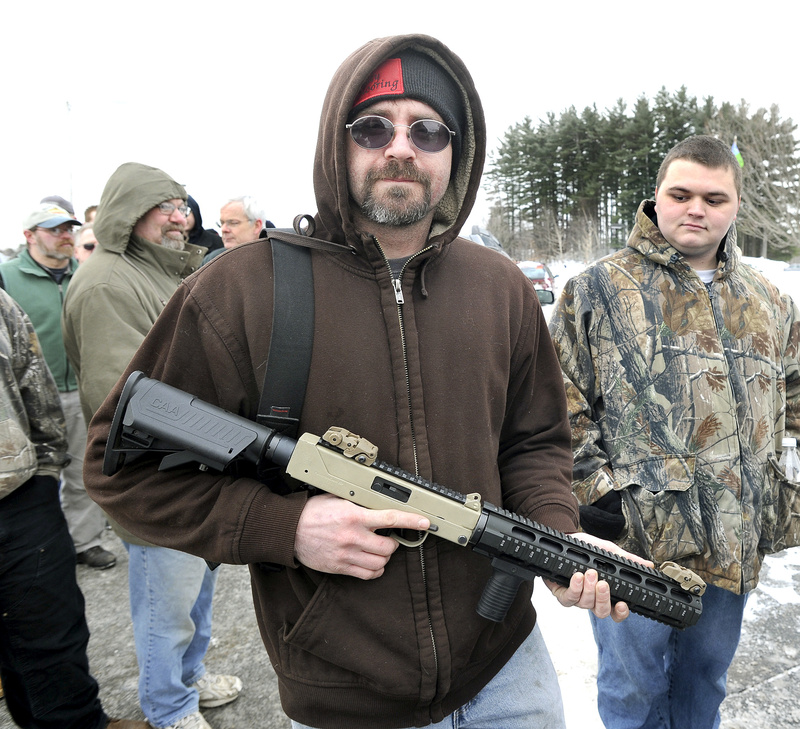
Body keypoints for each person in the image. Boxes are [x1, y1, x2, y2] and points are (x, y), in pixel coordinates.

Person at [82, 36, 636, 729]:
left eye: (429, 130)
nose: (401, 147)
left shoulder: (501, 288)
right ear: (337, 144)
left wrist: (554, 537)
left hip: (507, 678)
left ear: (455, 155)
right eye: (374, 127)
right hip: (341, 697)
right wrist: (288, 525)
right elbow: (120, 470)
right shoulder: (242, 290)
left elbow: (533, 443)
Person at [548, 134, 800, 729]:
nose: (697, 209)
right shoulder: (599, 289)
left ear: (735, 206)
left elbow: (793, 400)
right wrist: (599, 503)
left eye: (715, 198)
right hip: (639, 542)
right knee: (633, 691)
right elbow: (558, 405)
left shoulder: (770, 301)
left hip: (732, 541)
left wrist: (780, 488)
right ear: (656, 198)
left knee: (705, 683)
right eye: (681, 194)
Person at [62, 163, 242, 729]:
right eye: (162, 205)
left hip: (196, 469)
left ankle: (188, 680)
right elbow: (124, 402)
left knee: (196, 598)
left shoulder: (158, 273)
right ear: (127, 212)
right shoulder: (108, 284)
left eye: (180, 204)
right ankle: (169, 707)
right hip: (157, 479)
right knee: (167, 607)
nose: (177, 216)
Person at [0, 287, 148, 729]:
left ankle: (80, 722)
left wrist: (45, 471)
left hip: (20, 498)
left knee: (51, 632)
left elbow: (32, 378)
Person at [0, 203, 116, 569]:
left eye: (69, 229)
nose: (65, 236)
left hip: (79, 388)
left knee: (83, 470)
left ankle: (85, 541)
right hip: (27, 399)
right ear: (29, 236)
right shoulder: (7, 277)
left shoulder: (83, 274)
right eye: (55, 230)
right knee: (33, 471)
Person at [202, 195, 274, 263]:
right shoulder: (212, 260)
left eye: (233, 223)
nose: (223, 229)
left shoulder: (276, 258)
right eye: (221, 223)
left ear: (256, 226)